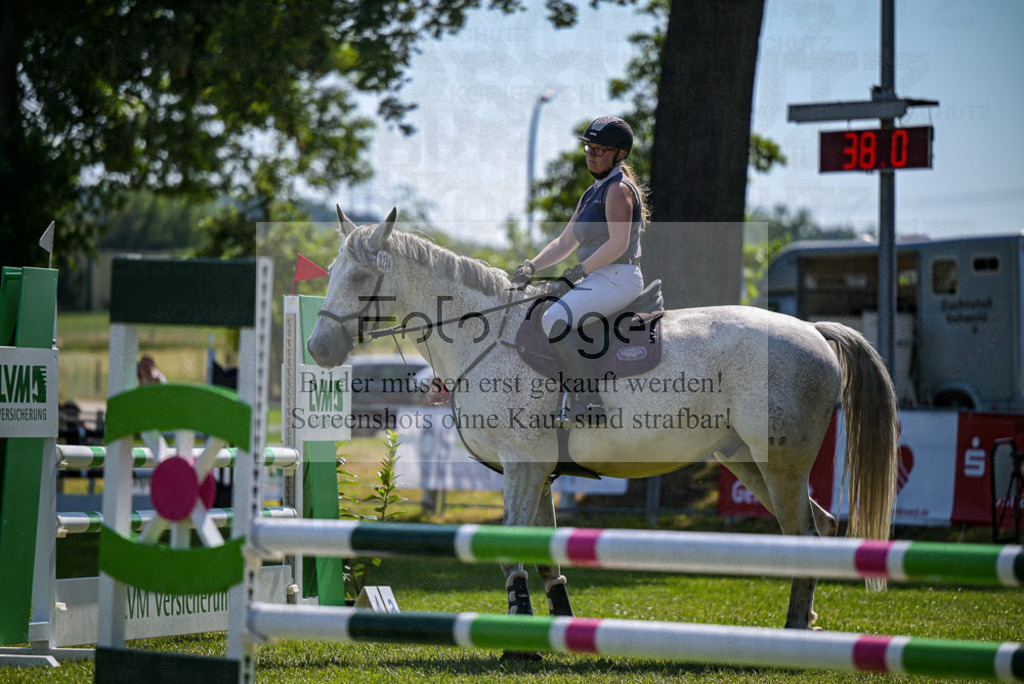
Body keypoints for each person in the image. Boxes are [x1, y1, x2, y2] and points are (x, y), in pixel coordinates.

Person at [511, 116, 648, 426]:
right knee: (539, 310)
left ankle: (589, 401)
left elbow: (617, 244)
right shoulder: (591, 193)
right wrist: (531, 266)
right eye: (589, 148)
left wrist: (578, 271)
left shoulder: (618, 190)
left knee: (554, 319)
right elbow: (564, 242)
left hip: (619, 278)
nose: (591, 155)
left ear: (619, 154)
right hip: (599, 277)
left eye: (600, 150)